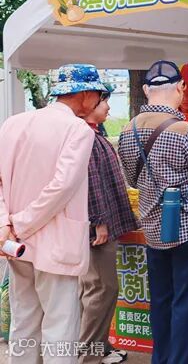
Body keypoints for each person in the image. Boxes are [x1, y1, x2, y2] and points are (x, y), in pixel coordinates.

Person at [0, 64, 106, 363]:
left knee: (24, 321)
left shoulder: (13, 123)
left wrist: (6, 224)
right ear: (85, 94)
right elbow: (62, 187)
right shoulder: (77, 130)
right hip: (55, 243)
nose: (98, 101)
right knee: (60, 327)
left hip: (17, 244)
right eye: (98, 95)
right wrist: (20, 223)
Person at [117, 60, 188, 364]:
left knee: (160, 302)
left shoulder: (127, 131)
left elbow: (132, 180)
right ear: (181, 87)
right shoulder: (187, 131)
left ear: (147, 89)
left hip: (153, 231)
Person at [80, 84, 138, 364]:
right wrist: (99, 222)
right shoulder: (85, 136)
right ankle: (88, 356)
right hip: (96, 228)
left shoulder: (93, 133)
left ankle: (100, 348)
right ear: (90, 103)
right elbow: (90, 182)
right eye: (104, 101)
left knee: (97, 288)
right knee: (102, 288)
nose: (108, 106)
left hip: (98, 224)